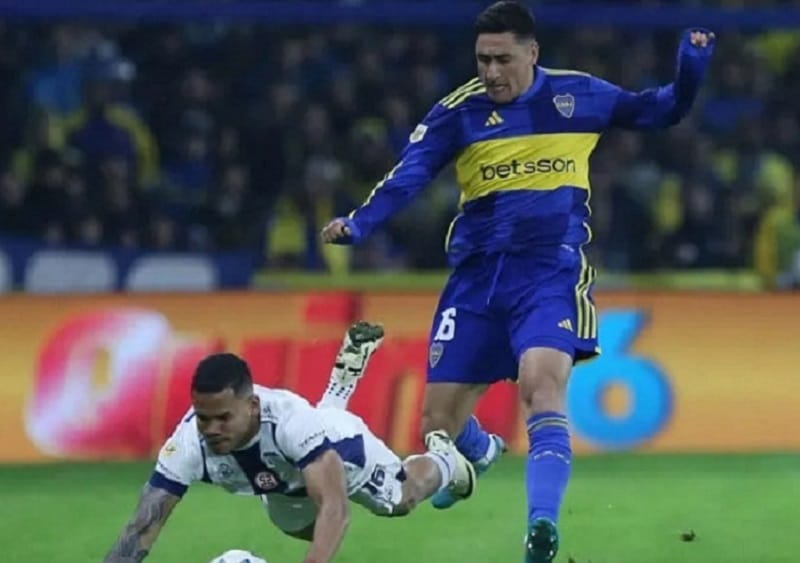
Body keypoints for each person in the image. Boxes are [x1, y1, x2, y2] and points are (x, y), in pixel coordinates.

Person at [321, 2, 716, 561]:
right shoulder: (458, 112)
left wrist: (691, 67)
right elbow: (408, 175)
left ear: (532, 53)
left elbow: (662, 110)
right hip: (477, 279)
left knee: (541, 388)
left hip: (548, 271)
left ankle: (540, 528)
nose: (491, 72)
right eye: (483, 60)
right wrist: (360, 223)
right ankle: (480, 452)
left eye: (503, 59)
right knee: (438, 426)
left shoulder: (579, 95)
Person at [104, 322, 475, 563]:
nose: (211, 429)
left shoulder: (288, 420)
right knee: (304, 531)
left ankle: (445, 459)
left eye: (223, 418)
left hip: (341, 450)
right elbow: (143, 526)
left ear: (252, 406)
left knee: (399, 500)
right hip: (282, 486)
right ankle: (343, 378)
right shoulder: (188, 443)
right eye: (204, 417)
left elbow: (335, 507)